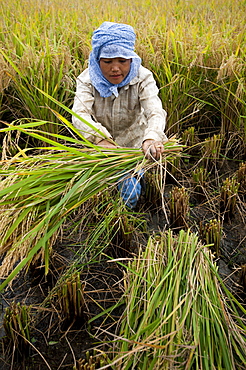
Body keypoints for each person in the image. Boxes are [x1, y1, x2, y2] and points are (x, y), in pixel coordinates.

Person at [72, 22, 168, 209]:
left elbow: (155, 111)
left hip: (133, 148)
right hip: (101, 149)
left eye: (122, 61)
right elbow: (80, 114)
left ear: (131, 59)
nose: (115, 68)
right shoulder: (87, 80)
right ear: (97, 60)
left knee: (129, 193)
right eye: (108, 62)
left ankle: (125, 220)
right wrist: (100, 140)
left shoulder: (142, 77)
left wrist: (151, 138)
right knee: (95, 194)